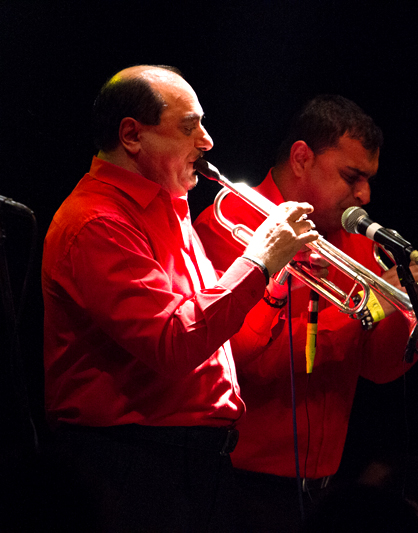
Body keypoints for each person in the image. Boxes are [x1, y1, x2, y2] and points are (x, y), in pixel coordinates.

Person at [41, 65, 318, 532]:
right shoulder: (98, 222)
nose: (207, 141)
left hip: (190, 462)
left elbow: (214, 339)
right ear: (132, 135)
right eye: (189, 127)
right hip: (131, 465)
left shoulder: (169, 208)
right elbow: (174, 343)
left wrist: (270, 282)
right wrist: (259, 260)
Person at [194, 95, 418, 531]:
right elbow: (247, 363)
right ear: (302, 158)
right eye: (351, 176)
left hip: (321, 484)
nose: (364, 194)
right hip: (240, 482)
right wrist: (372, 307)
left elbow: (377, 368)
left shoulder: (355, 242)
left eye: (369, 179)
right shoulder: (225, 227)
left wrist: (409, 314)